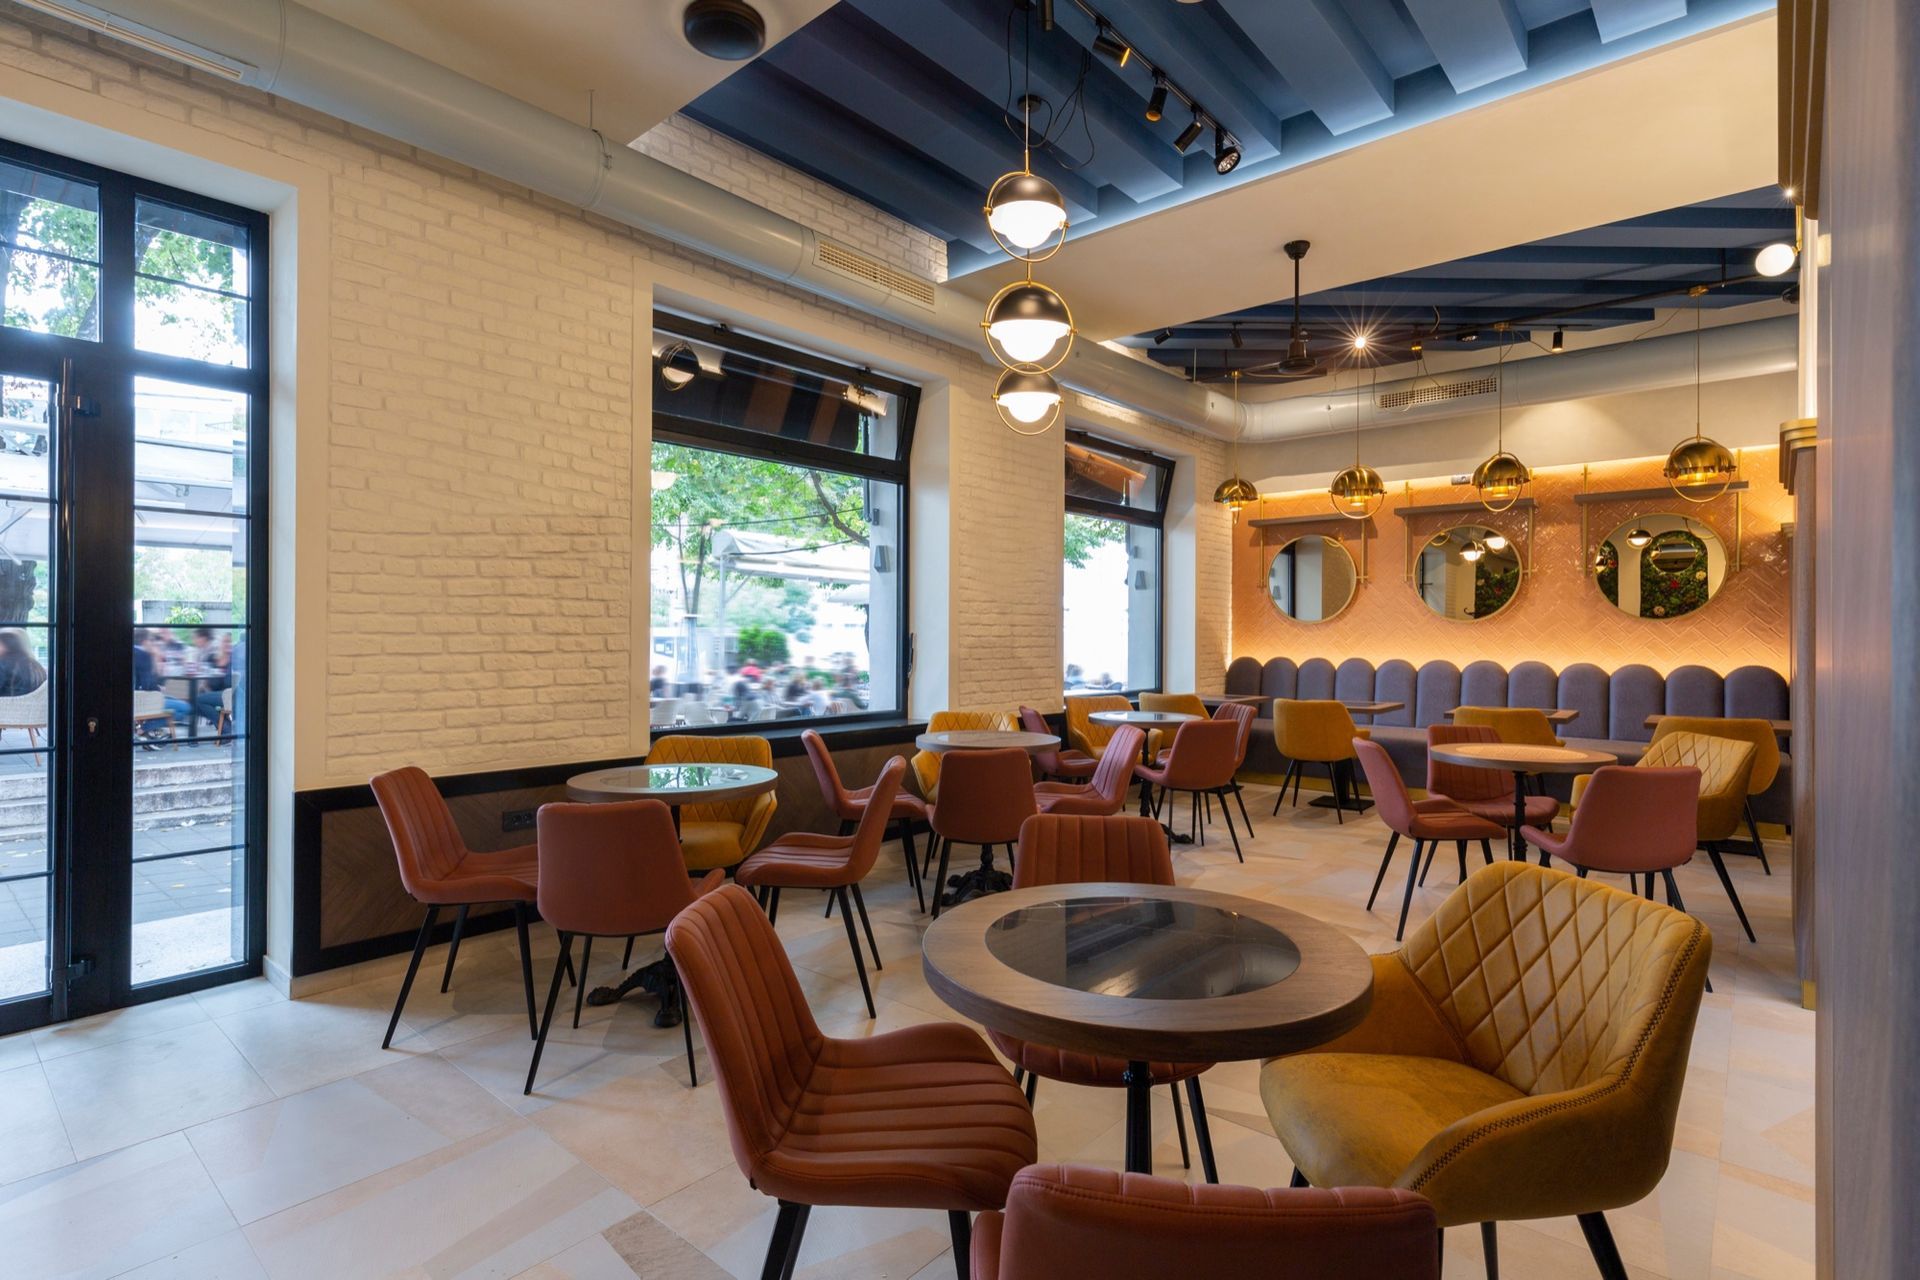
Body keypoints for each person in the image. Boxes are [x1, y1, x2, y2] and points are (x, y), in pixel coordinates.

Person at [0, 628, 45, 696]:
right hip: (32, 702)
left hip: (8, 701)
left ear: (7, 644)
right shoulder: (35, 665)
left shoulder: (3, 664)